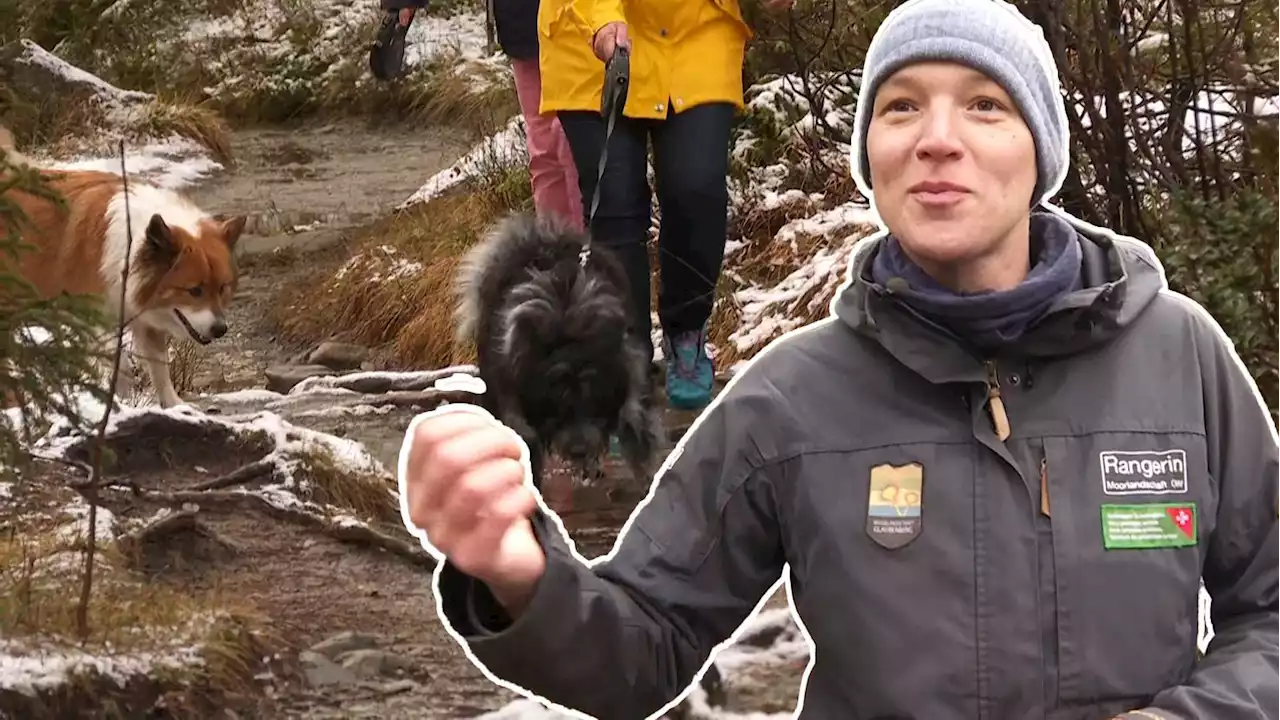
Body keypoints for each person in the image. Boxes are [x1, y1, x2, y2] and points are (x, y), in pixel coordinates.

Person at [402, 0, 1280, 718]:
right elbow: (643, 649)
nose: (938, 137)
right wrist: (520, 572)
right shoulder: (790, 400)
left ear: (1039, 152)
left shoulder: (1180, 355)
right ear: (874, 157)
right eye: (902, 107)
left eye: (986, 104)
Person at [534, 0, 795, 411]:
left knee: (697, 188)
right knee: (615, 207)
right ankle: (624, 359)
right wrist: (602, 22)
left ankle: (687, 329)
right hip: (588, 38)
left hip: (696, 31)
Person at [492, 0, 584, 230]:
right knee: (549, 145)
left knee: (568, 142)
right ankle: (565, 248)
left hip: (576, 24)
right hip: (528, 26)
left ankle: (579, 247)